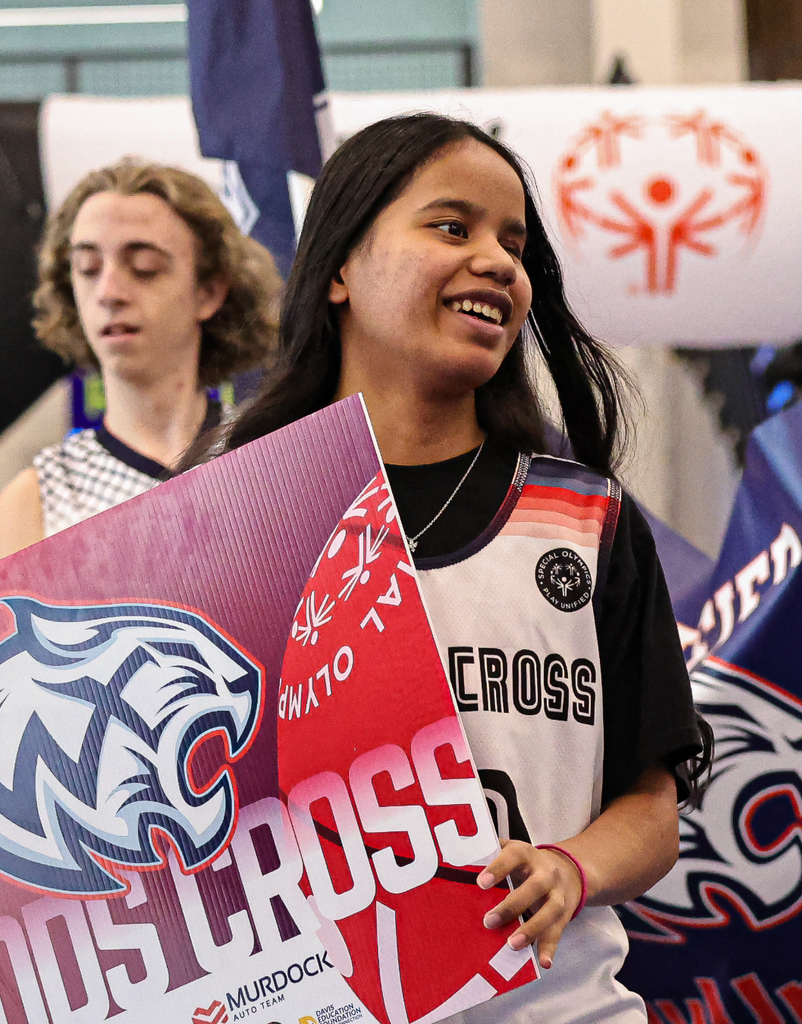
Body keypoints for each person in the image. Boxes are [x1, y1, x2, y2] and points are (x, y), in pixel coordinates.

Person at [209, 113, 709, 1023]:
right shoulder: (233, 520)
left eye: (512, 244)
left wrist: (570, 865)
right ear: (338, 270)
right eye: (452, 227)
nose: (497, 262)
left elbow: (651, 806)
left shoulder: (585, 518)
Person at [0, 159, 281, 557]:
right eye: (88, 268)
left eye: (144, 267)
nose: (109, 291)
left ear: (209, 292)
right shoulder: (37, 502)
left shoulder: (277, 461)